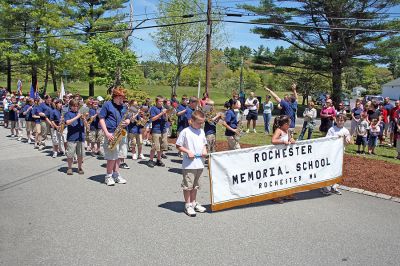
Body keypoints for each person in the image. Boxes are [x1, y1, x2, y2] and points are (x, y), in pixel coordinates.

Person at [176, 110, 208, 217]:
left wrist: (204, 150)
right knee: (188, 186)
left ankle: (194, 202)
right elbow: (178, 145)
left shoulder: (202, 131)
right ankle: (188, 204)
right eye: (199, 122)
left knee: (195, 185)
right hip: (189, 164)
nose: (201, 125)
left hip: (199, 163)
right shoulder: (185, 131)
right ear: (192, 121)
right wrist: (188, 151)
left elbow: (204, 143)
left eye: (202, 123)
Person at [99, 87, 130, 186]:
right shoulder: (107, 105)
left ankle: (116, 175)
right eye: (120, 98)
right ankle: (108, 176)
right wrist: (107, 133)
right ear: (115, 97)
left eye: (123, 98)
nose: (122, 100)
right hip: (111, 133)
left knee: (119, 156)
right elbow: (101, 119)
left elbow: (128, 117)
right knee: (111, 156)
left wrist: (128, 121)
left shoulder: (124, 106)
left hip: (122, 133)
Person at [321, 114, 351, 195]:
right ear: (336, 120)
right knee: (329, 168)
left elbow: (348, 142)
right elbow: (327, 140)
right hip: (331, 152)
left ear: (344, 121)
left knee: (337, 169)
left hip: (340, 153)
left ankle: (334, 186)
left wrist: (345, 138)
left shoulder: (346, 131)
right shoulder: (332, 129)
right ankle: (324, 186)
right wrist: (336, 138)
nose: (340, 122)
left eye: (342, 120)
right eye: (338, 120)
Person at [271, 115, 296, 203]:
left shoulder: (287, 131)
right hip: (278, 157)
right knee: (278, 176)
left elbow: (290, 138)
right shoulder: (279, 131)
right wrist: (282, 141)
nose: (290, 124)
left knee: (287, 175)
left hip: (285, 157)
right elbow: (273, 140)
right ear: (285, 124)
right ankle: (275, 196)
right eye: (289, 123)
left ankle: (286, 193)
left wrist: (292, 140)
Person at [64, 99, 86, 175]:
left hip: (81, 137)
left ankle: (79, 167)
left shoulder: (80, 114)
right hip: (72, 137)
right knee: (70, 154)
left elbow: (86, 126)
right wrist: (77, 117)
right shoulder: (68, 114)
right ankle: (69, 168)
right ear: (70, 106)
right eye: (74, 106)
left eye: (77, 106)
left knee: (80, 154)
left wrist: (84, 120)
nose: (76, 107)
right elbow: (67, 122)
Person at [147, 96, 168, 168]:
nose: (161, 103)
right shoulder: (153, 108)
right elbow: (152, 119)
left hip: (163, 129)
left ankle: (158, 160)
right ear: (156, 102)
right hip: (156, 129)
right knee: (155, 146)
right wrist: (161, 113)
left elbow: (166, 119)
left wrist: (166, 114)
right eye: (160, 101)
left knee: (162, 146)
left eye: (162, 101)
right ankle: (151, 160)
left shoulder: (163, 109)